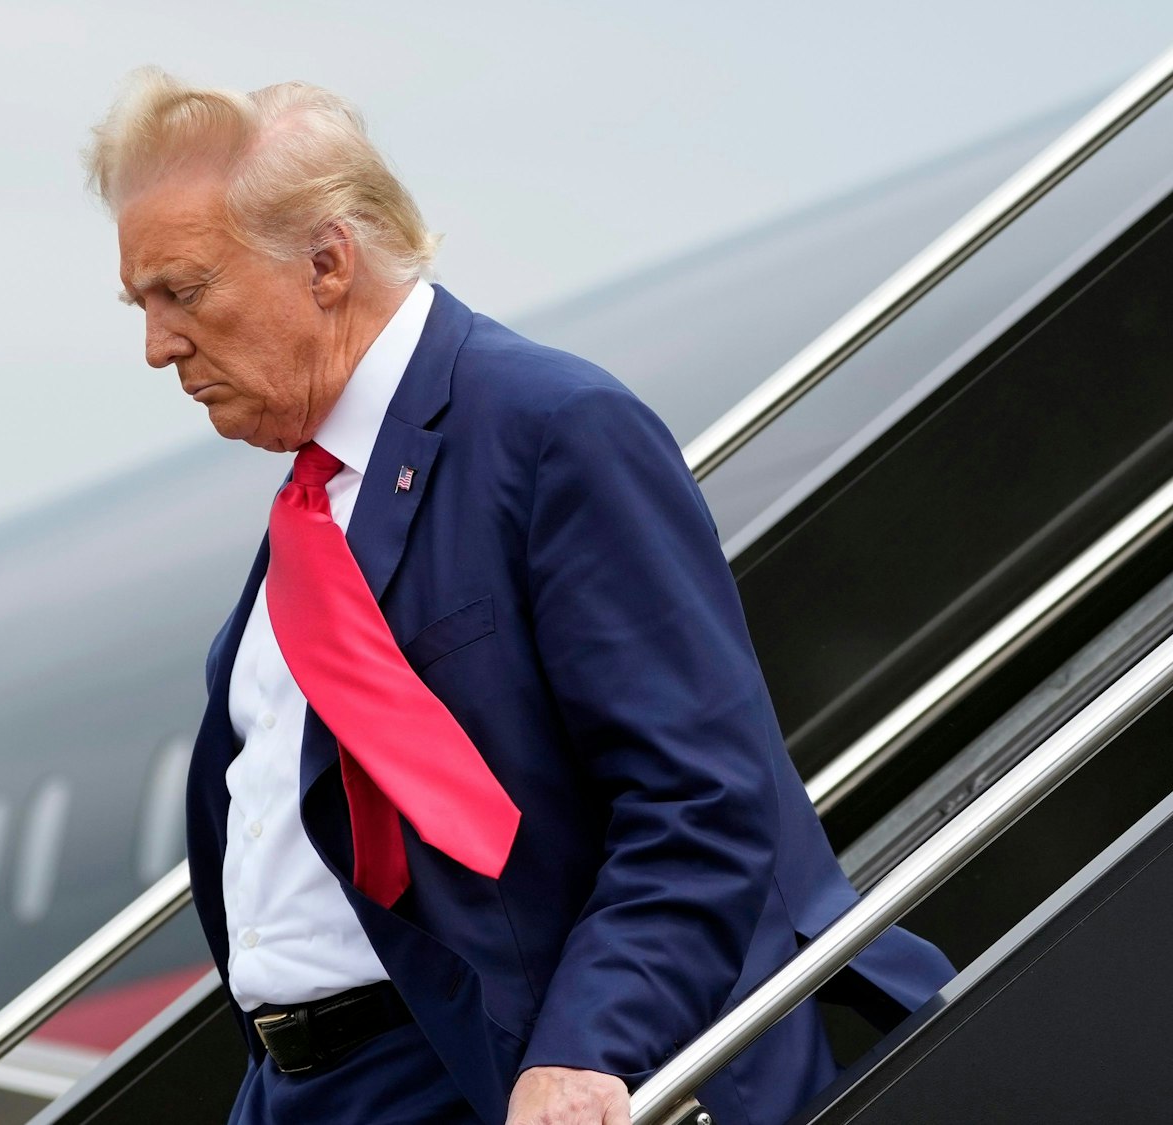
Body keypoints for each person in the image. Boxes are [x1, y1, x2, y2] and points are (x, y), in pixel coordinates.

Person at [82, 68, 954, 1125]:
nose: (157, 345)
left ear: (325, 260)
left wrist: (589, 1048)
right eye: (143, 305)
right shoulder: (309, 517)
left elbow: (701, 803)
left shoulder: (548, 430)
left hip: (476, 1081)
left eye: (183, 290)